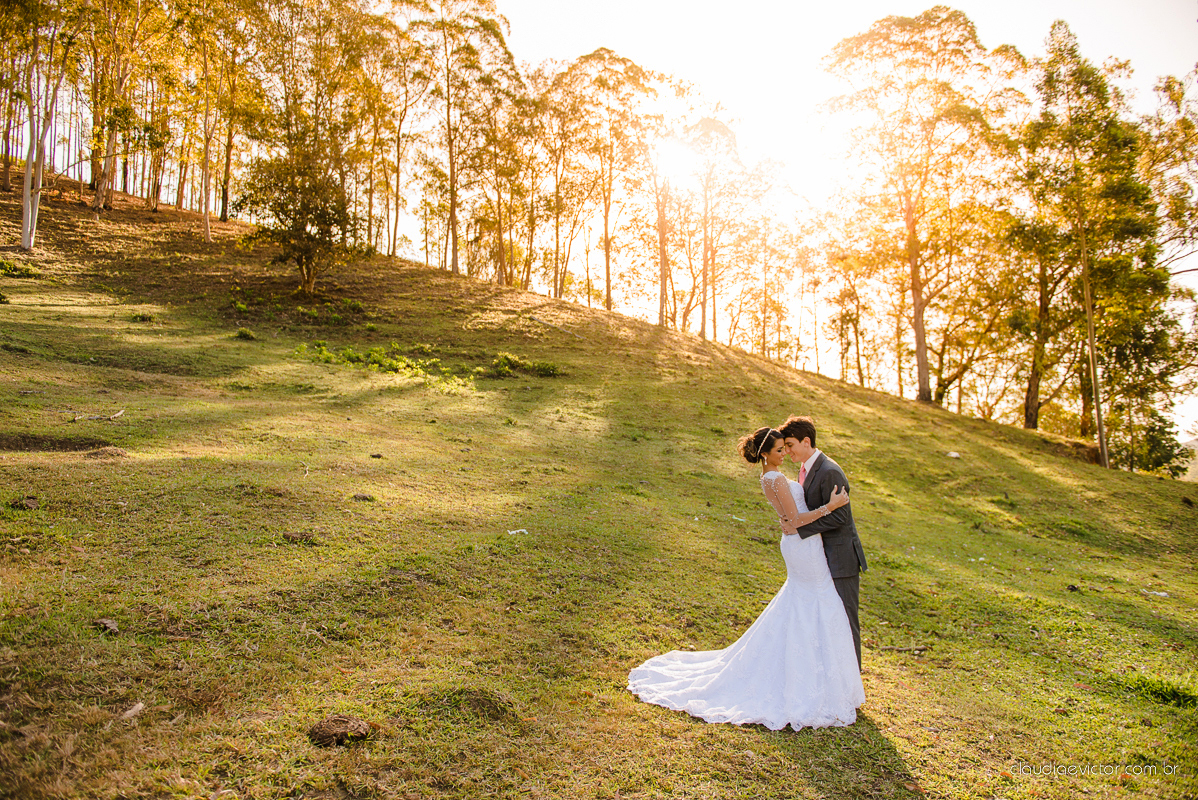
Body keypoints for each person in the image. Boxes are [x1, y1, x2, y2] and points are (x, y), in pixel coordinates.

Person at [627, 427, 866, 731]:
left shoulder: (772, 477)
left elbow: (789, 519)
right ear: (766, 454)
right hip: (803, 547)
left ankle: (825, 675)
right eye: (780, 450)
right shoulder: (775, 478)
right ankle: (820, 678)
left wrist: (795, 521)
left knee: (807, 603)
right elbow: (794, 521)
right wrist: (828, 507)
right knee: (812, 601)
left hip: (803, 547)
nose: (784, 454)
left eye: (786, 448)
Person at [778, 415, 867, 669]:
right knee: (829, 620)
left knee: (846, 621)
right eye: (785, 447)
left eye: (791, 445)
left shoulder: (829, 471)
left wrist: (799, 528)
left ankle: (853, 684)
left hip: (842, 559)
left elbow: (840, 515)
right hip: (821, 557)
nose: (788, 451)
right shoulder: (805, 470)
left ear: (807, 441)